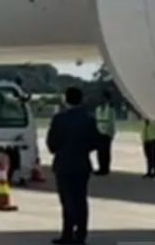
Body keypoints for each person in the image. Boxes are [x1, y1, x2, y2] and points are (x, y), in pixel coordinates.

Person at [46, 86, 100, 245]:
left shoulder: (59, 119)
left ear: (65, 99)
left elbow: (52, 144)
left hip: (63, 164)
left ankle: (67, 233)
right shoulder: (89, 119)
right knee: (80, 199)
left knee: (66, 200)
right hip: (82, 164)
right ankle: (80, 234)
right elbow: (95, 142)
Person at [93, 90, 116, 175]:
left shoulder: (110, 109)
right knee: (100, 152)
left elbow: (112, 122)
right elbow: (97, 120)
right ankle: (101, 167)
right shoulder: (98, 108)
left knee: (106, 151)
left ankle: (105, 168)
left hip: (107, 132)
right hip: (99, 131)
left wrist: (111, 133)